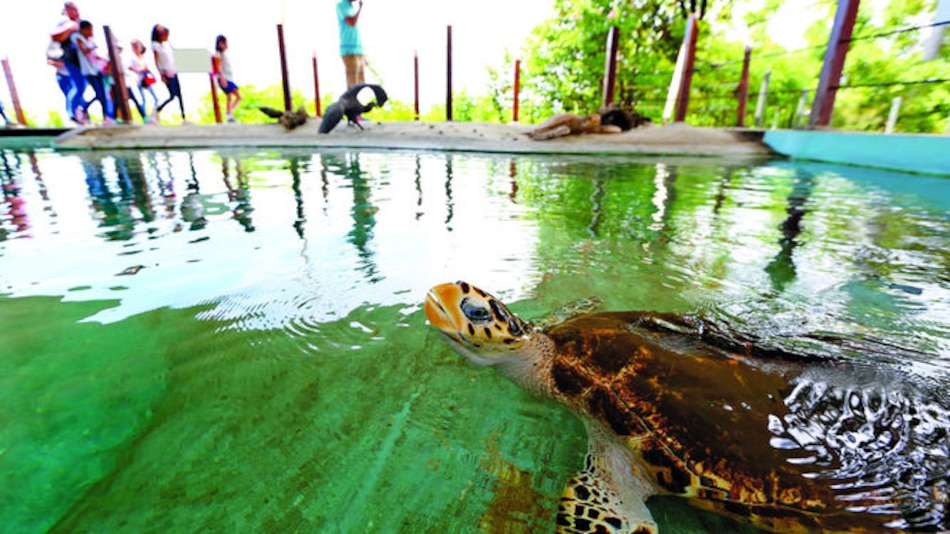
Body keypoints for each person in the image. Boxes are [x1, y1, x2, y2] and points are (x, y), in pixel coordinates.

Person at [50, 2, 86, 123]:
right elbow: (55, 36)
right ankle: (72, 114)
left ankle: (82, 114)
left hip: (85, 62)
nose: (75, 12)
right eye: (71, 10)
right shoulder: (64, 24)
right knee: (78, 87)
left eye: (76, 9)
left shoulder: (82, 23)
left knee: (84, 88)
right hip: (71, 61)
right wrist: (70, 27)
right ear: (66, 11)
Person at [72, 19, 114, 125]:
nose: (91, 32)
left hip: (97, 69)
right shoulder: (78, 38)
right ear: (83, 30)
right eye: (89, 30)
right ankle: (82, 109)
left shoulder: (91, 41)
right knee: (98, 94)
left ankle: (106, 117)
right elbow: (84, 51)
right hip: (88, 71)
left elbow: (95, 55)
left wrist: (104, 59)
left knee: (103, 95)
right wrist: (92, 47)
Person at [151, 24, 185, 123]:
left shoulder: (166, 45)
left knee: (179, 95)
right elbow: (157, 61)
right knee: (172, 95)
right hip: (166, 73)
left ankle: (184, 117)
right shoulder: (155, 45)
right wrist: (161, 74)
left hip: (173, 71)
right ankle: (157, 109)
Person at [212, 35, 241, 122]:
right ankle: (229, 113)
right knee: (238, 96)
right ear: (221, 43)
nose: (226, 45)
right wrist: (222, 78)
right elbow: (218, 66)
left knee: (229, 97)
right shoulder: (218, 54)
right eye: (225, 43)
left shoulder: (223, 53)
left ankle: (229, 114)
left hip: (228, 78)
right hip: (225, 78)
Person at [336, 0, 365, 88]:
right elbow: (351, 22)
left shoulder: (350, 6)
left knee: (361, 85)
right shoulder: (341, 5)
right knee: (353, 86)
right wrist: (360, 8)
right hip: (349, 51)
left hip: (357, 51)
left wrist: (362, 55)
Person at [128, 39, 159, 118]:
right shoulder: (132, 58)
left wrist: (152, 75)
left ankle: (153, 114)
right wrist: (139, 69)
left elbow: (147, 68)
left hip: (146, 79)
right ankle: (145, 116)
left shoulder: (142, 57)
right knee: (143, 99)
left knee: (155, 98)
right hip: (139, 80)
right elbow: (130, 68)